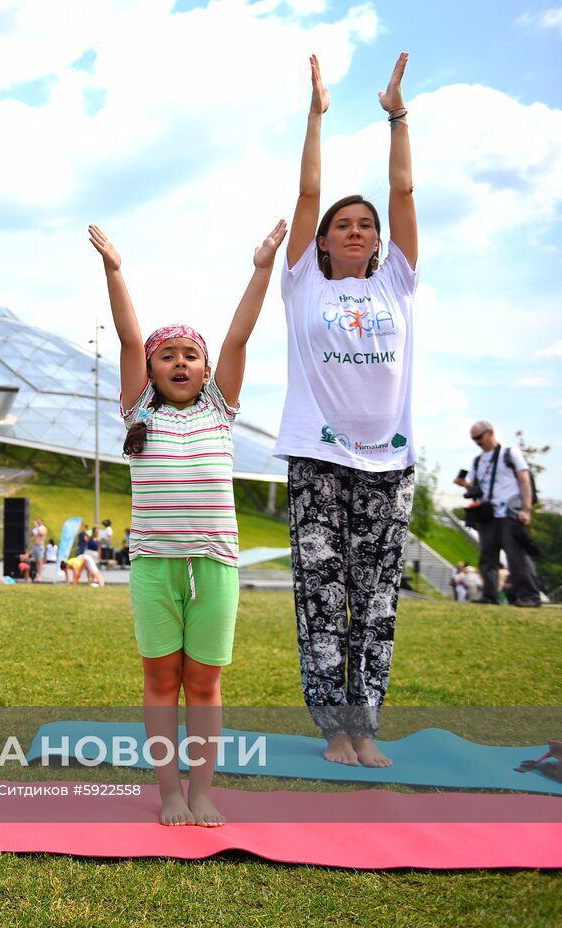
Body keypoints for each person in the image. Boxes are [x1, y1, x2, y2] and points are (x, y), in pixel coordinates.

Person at [91, 209, 285, 826]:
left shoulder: (220, 410)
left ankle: (201, 790)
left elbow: (238, 339)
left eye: (190, 356)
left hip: (214, 566)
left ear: (206, 371)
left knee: (202, 683)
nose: (180, 363)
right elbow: (127, 337)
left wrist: (261, 269)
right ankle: (168, 790)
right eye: (167, 356)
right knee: (160, 678)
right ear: (150, 371)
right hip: (154, 565)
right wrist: (115, 271)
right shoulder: (137, 411)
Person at [276, 53, 419, 768]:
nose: (358, 230)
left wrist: (396, 117)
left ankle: (366, 726)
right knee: (324, 602)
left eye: (366, 224)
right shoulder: (304, 284)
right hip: (318, 456)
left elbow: (404, 191)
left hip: (390, 466)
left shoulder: (398, 282)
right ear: (326, 242)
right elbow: (307, 194)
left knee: (378, 604)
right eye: (345, 224)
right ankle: (334, 727)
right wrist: (318, 114)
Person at [453, 421, 542, 607]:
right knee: (487, 557)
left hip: (509, 512)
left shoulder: (510, 453)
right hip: (487, 514)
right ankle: (489, 595)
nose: (477, 442)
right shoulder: (478, 460)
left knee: (516, 556)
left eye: (479, 437)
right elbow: (479, 488)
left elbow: (524, 480)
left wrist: (526, 509)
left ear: (490, 432)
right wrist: (465, 484)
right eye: (473, 439)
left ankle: (529, 596)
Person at [29, 517, 47, 582]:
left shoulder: (43, 528)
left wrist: (37, 527)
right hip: (35, 546)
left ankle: (40, 575)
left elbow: (42, 534)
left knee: (40, 561)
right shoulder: (36, 529)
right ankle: (37, 574)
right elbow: (31, 535)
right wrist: (33, 529)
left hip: (40, 546)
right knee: (36, 561)